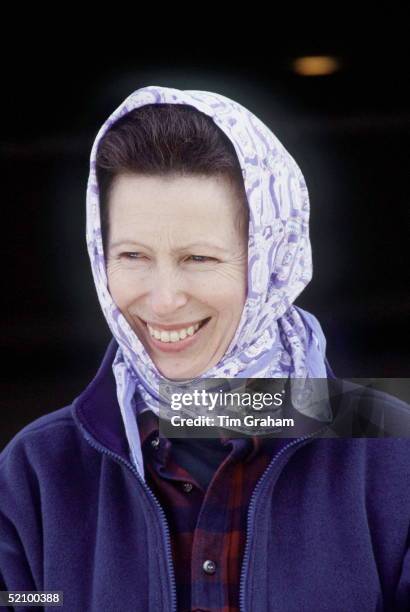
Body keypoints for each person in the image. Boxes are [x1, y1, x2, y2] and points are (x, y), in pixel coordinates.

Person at [0, 85, 409, 612]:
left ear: (271, 263)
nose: (164, 299)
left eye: (199, 258)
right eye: (132, 255)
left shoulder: (390, 456)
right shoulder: (37, 472)